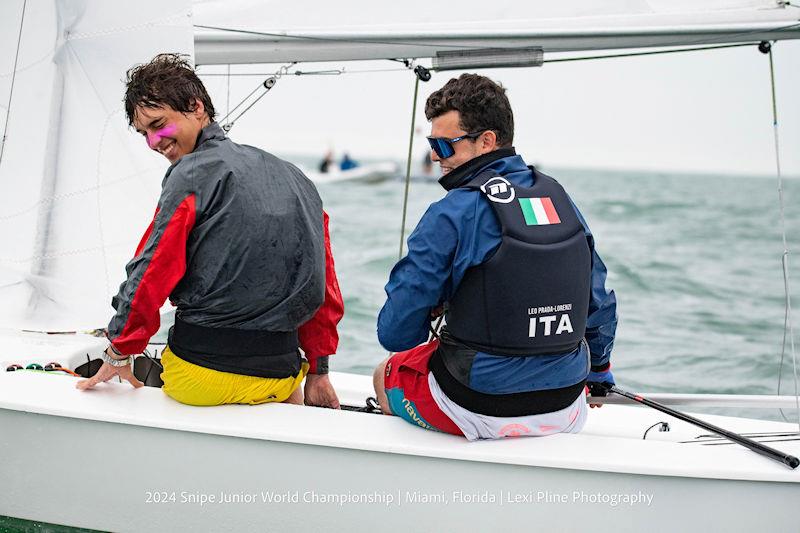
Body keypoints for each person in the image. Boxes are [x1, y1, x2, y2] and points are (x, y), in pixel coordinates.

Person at [77, 54, 343, 408]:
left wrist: (120, 350)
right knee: (283, 396)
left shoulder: (190, 174)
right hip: (280, 374)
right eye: (144, 134)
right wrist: (319, 371)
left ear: (196, 106)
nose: (154, 142)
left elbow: (151, 271)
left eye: (158, 125)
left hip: (201, 377)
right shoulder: (296, 178)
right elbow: (322, 283)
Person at [372, 74, 617, 440]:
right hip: (566, 405)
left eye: (445, 145)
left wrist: (437, 304)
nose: (437, 157)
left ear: (487, 141)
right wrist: (599, 373)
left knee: (386, 371)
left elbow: (396, 333)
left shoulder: (451, 212)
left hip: (477, 404)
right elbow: (598, 303)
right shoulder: (559, 198)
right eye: (432, 144)